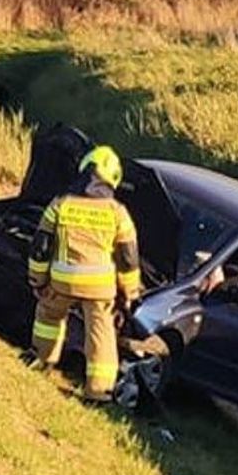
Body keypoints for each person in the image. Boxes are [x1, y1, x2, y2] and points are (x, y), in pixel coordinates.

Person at [27, 146, 142, 403]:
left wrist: (38, 280)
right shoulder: (118, 213)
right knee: (100, 335)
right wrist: (130, 292)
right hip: (99, 289)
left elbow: (41, 247)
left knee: (49, 317)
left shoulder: (60, 204)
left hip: (61, 281)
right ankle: (98, 392)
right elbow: (128, 259)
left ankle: (41, 360)